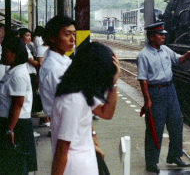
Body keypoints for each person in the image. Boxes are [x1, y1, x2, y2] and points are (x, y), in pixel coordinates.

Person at [137, 22, 190, 173]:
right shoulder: (144, 55)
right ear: (152, 37)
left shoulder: (165, 49)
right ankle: (151, 162)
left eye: (164, 34)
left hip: (170, 90)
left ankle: (174, 156)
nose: (164, 36)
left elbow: (178, 59)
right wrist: (147, 100)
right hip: (156, 92)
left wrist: (187, 56)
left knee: (177, 123)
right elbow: (143, 79)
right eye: (160, 34)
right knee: (155, 128)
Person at [51, 42, 120, 175]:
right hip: (75, 168)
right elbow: (62, 149)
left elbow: (106, 113)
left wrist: (114, 84)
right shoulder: (73, 100)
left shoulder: (79, 92)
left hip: (83, 163)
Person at [0, 36, 37, 173]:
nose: (3, 54)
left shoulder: (18, 74)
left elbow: (18, 104)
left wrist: (10, 130)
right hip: (11, 122)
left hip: (17, 125)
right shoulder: (13, 70)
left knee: (15, 165)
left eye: (6, 51)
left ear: (15, 53)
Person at [39, 15, 76, 119]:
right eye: (67, 34)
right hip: (66, 121)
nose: (73, 39)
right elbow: (71, 102)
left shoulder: (64, 61)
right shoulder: (55, 69)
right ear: (52, 38)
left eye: (74, 34)